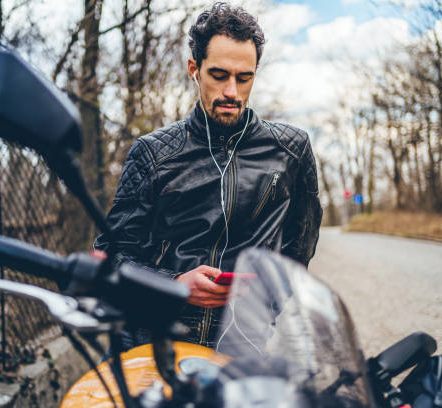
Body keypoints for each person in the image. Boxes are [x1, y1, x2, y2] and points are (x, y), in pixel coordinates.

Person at [94, 2, 322, 348]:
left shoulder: (291, 151)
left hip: (243, 345)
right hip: (155, 341)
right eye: (219, 75)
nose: (232, 91)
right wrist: (175, 284)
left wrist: (263, 306)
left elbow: (298, 249)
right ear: (194, 69)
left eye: (244, 78)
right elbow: (112, 257)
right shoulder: (153, 153)